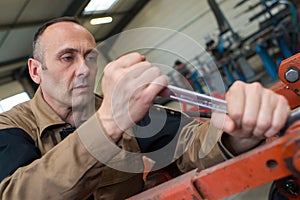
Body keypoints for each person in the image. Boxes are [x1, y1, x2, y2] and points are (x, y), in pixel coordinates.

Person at [0, 17, 290, 200]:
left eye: (90, 57)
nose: (84, 70)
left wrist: (235, 133)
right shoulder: (11, 127)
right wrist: (107, 125)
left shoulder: (124, 109)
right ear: (36, 71)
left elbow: (191, 142)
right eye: (67, 58)